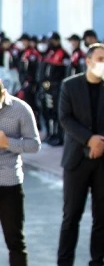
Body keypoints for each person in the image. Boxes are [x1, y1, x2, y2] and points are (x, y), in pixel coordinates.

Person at [56, 44, 104, 266]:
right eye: (100, 58)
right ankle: (64, 261)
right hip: (76, 159)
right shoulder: (70, 85)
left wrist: (101, 141)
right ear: (87, 61)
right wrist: (89, 140)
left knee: (101, 215)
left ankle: (98, 260)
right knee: (71, 216)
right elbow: (65, 118)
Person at [0, 77, 41, 266]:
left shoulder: (20, 109)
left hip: (9, 183)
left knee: (15, 240)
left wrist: (8, 143)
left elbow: (34, 145)